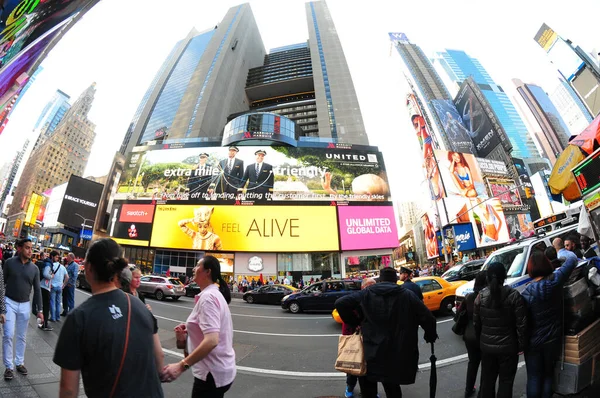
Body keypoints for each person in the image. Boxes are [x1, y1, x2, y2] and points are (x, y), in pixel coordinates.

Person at [53, 238, 164, 397]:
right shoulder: (141, 306)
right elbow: (159, 358)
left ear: (89, 268)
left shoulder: (79, 318)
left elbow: (68, 390)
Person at [335, 267, 437, 398]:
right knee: (392, 387)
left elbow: (341, 303)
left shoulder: (366, 293)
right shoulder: (407, 295)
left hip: (370, 351)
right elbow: (428, 318)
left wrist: (355, 323)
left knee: (368, 389)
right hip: (395, 353)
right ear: (395, 280)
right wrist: (430, 335)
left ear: (380, 280)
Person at [161, 256, 235, 397]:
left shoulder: (208, 298)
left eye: (197, 265)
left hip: (211, 375)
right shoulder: (212, 295)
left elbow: (212, 340)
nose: (194, 269)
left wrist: (181, 366)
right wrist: (185, 338)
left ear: (207, 272)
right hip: (217, 372)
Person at [522, 250, 578, 398]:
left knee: (534, 377)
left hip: (533, 343)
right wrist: (560, 252)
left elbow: (523, 322)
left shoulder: (526, 293)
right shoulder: (556, 280)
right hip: (553, 338)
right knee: (548, 375)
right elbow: (572, 258)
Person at [474, 262, 527, 398]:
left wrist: (481, 342)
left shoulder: (480, 297)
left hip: (487, 348)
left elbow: (477, 324)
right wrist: (521, 345)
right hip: (508, 348)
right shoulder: (514, 296)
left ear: (488, 278)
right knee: (506, 383)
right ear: (504, 276)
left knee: (487, 382)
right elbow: (521, 324)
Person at [2, 238, 43, 381]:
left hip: (25, 305)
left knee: (21, 336)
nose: (30, 251)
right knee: (8, 334)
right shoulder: (9, 263)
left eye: (31, 248)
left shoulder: (35, 269)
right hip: (9, 302)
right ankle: (8, 367)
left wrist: (40, 310)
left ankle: (19, 362)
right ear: (20, 249)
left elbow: (37, 290)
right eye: (27, 248)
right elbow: (2, 284)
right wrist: (1, 308)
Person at [343, 277, 376, 398]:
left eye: (374, 285)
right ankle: (350, 387)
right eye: (369, 286)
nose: (372, 288)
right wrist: (355, 325)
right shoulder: (356, 299)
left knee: (369, 368)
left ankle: (370, 391)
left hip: (370, 340)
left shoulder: (375, 300)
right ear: (363, 287)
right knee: (353, 365)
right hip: (355, 338)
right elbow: (346, 318)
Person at [457, 271, 488, 398]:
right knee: (486, 364)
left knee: (473, 363)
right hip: (484, 335)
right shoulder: (487, 297)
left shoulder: (469, 297)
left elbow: (459, 315)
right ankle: (484, 391)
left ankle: (468, 389)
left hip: (469, 335)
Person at [49, 253, 68, 322]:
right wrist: (64, 285)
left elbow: (49, 275)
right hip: (60, 287)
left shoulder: (52, 265)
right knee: (58, 302)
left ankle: (53, 317)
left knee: (52, 302)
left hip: (53, 286)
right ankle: (58, 317)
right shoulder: (63, 267)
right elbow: (67, 277)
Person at [39, 252, 54, 331]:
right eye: (57, 257)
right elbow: (45, 274)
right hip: (45, 287)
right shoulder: (48, 264)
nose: (58, 259)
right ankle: (45, 324)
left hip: (43, 285)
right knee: (46, 306)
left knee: (44, 305)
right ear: (52, 257)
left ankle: (43, 322)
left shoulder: (46, 263)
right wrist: (51, 276)